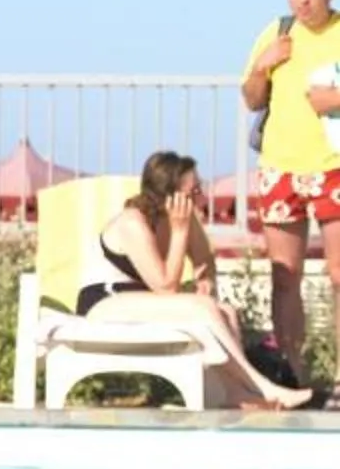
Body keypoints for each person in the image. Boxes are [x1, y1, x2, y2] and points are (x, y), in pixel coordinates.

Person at [77, 150, 318, 410]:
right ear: (169, 195)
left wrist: (206, 282)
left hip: (143, 300)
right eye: (193, 192)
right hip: (104, 302)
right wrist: (179, 231)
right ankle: (262, 386)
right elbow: (166, 286)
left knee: (223, 311)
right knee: (203, 307)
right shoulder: (133, 222)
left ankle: (234, 393)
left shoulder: (184, 218)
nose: (201, 197)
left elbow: (204, 261)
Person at [236, 0, 340, 376]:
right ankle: (293, 372)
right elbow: (252, 98)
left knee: (338, 275)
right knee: (284, 276)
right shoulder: (276, 32)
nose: (303, 2)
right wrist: (263, 68)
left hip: (333, 166)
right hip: (280, 167)